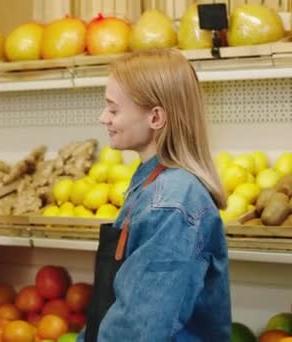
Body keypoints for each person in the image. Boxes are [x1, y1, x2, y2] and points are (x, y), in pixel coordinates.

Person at [79, 49, 231, 341]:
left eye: (113, 109)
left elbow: (140, 328)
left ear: (156, 117)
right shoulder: (152, 183)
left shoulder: (172, 203)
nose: (103, 118)